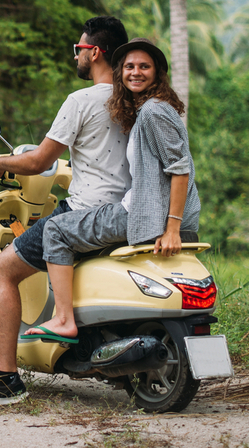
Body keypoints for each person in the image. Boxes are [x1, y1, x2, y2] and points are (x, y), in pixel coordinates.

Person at [0, 16, 131, 408]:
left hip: (86, 213)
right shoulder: (134, 98)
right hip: (128, 212)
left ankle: (4, 379)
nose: (76, 56)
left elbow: (38, 161)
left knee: (1, 269)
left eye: (78, 49)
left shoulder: (82, 100)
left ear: (95, 52)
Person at [22, 39, 200, 343]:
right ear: (120, 72)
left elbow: (180, 169)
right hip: (152, 212)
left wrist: (172, 228)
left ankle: (63, 319)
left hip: (144, 215)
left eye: (144, 66)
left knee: (55, 229)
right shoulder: (150, 109)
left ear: (158, 73)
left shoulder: (154, 112)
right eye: (129, 66)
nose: (135, 72)